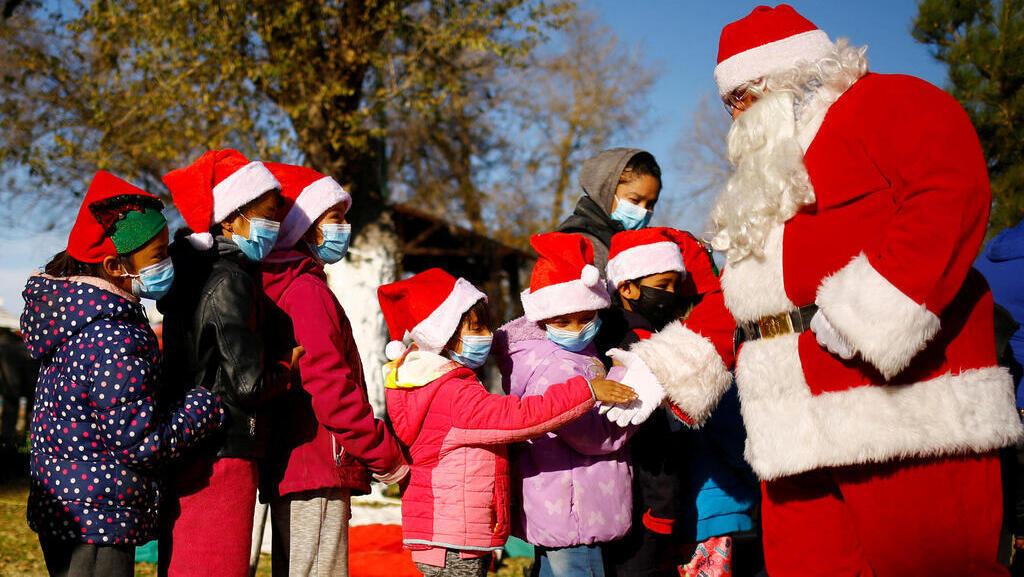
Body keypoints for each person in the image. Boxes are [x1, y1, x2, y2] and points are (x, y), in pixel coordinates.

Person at [644, 5, 1021, 576]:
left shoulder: (889, 102)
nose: (734, 115)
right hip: (790, 431)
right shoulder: (765, 182)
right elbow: (744, 298)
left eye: (743, 96)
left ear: (787, 79)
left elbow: (950, 191)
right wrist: (663, 366)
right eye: (728, 103)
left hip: (903, 412)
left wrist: (870, 312)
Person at [21, 171, 225, 577]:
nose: (168, 263)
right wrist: (204, 407)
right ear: (115, 265)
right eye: (158, 255)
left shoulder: (73, 320)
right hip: (99, 518)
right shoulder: (116, 337)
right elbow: (142, 442)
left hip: (66, 508)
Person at [377, 268, 637, 577]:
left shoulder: (437, 384)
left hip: (451, 531)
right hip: (453, 536)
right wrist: (588, 390)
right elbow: (519, 417)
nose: (488, 335)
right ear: (444, 334)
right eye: (477, 327)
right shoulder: (452, 392)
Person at [157, 149, 304, 577]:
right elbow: (248, 383)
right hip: (226, 446)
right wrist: (287, 368)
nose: (273, 228)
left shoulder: (190, 273)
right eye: (266, 217)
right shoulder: (231, 279)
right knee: (218, 563)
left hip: (189, 441)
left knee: (186, 561)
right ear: (229, 219)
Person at [260, 162, 409, 577]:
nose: (345, 228)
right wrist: (384, 454)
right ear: (303, 227)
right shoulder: (307, 291)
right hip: (316, 463)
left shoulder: (283, 284)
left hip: (295, 461)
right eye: (335, 219)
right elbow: (330, 386)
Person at [493, 232, 654, 577]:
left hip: (564, 505)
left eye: (585, 318)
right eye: (563, 321)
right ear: (542, 319)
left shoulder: (571, 353)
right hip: (575, 508)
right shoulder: (556, 366)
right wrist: (635, 396)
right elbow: (592, 437)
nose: (576, 329)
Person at [596, 227, 744, 577]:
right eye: (663, 286)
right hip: (649, 504)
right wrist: (661, 508)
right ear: (627, 287)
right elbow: (654, 440)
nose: (671, 296)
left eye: (676, 287)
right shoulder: (630, 344)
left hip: (659, 502)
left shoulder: (661, 337)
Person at [557, 149, 662, 270]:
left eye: (650, 204)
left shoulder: (644, 249)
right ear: (606, 193)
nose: (643, 211)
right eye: (634, 200)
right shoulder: (582, 246)